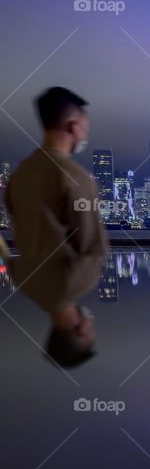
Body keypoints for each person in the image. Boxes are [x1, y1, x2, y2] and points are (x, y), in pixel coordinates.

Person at [3, 87, 107, 368]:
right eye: (84, 128)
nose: (84, 135)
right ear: (73, 126)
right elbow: (93, 245)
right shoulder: (76, 177)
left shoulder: (19, 176)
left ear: (80, 331)